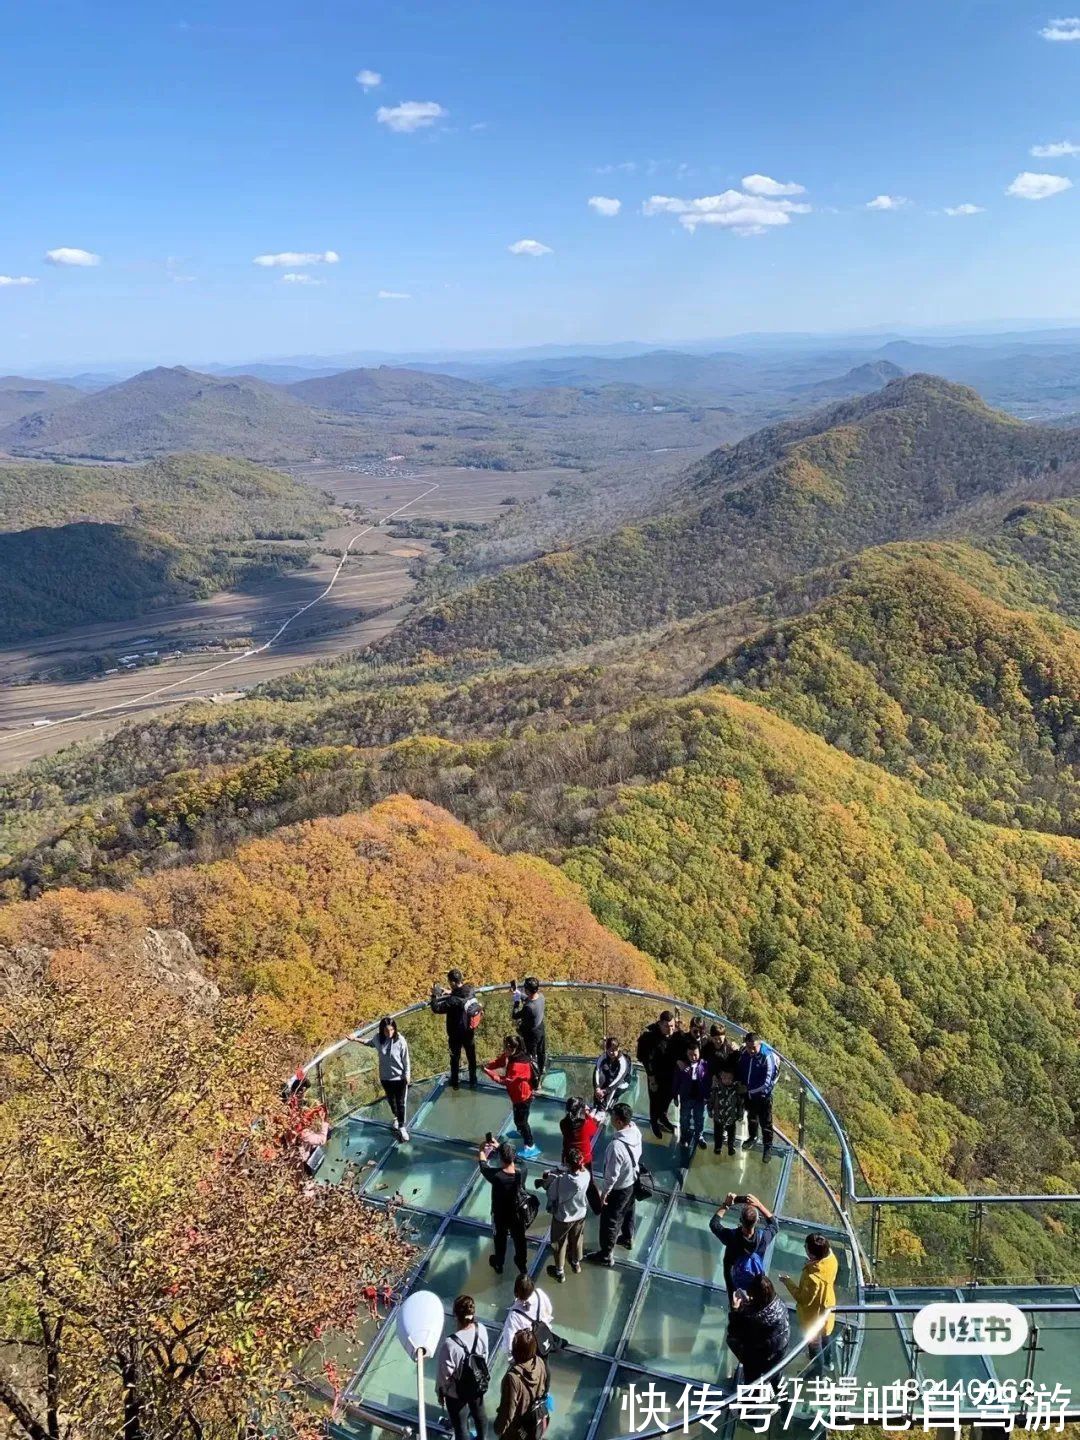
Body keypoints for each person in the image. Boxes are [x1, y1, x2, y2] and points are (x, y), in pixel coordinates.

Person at [587, 1101, 642, 1268]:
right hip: (632, 1180)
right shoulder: (636, 1131)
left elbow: (611, 1176)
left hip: (619, 1188)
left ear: (619, 1121)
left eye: (613, 1118)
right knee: (629, 1210)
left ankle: (605, 1255)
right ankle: (627, 1237)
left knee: (610, 1221)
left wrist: (604, 1194)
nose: (610, 1120)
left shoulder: (616, 1146)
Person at [780, 1233, 838, 1374]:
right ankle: (829, 1362)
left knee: (814, 1342)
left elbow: (803, 1299)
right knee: (826, 1335)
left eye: (806, 1247)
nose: (804, 1248)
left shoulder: (813, 1277)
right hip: (827, 1307)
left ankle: (816, 1372)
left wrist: (787, 1282)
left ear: (812, 1255)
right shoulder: (831, 1260)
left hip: (814, 1316)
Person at [436, 1293, 490, 1440]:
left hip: (456, 1392)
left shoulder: (450, 1344)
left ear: (455, 1315)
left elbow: (444, 1376)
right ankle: (482, 1438)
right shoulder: (482, 1329)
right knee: (480, 1413)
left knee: (461, 1427)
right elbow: (484, 1355)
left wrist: (441, 1392)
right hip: (477, 1383)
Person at [709, 1191, 779, 1300]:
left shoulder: (731, 1237)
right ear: (757, 1220)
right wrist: (759, 1204)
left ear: (741, 1220)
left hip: (735, 1279)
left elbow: (714, 1224)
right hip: (755, 1279)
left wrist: (726, 1204)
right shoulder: (763, 1238)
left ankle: (735, 1304)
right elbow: (774, 1225)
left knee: (735, 1300)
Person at [726, 1274, 791, 1385]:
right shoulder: (779, 1303)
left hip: (759, 1357)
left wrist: (736, 1310)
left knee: (752, 1381)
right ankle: (785, 1401)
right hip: (779, 1350)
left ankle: (751, 1399)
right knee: (776, 1378)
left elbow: (734, 1331)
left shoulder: (753, 1319)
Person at [484, 1036, 542, 1161]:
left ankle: (530, 1146)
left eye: (507, 1047)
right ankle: (520, 1131)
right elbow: (500, 1062)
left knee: (523, 1121)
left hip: (523, 1096)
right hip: (516, 1095)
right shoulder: (512, 1055)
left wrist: (489, 1073)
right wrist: (488, 1066)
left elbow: (505, 1081)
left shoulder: (519, 1065)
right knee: (517, 1117)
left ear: (514, 1048)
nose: (505, 1050)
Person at [478, 1139, 530, 1276]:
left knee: (500, 1240)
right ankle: (522, 1264)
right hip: (518, 1214)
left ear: (500, 1158)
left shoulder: (497, 1176)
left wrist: (481, 1150)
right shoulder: (522, 1170)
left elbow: (483, 1166)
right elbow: (519, 1161)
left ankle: (499, 1263)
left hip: (500, 1215)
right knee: (520, 1239)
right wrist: (501, 1147)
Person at [542, 1145, 591, 1282]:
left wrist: (550, 1177)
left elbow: (551, 1195)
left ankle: (560, 1272)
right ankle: (576, 1263)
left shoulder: (561, 1180)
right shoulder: (586, 1175)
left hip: (563, 1217)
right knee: (576, 1239)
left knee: (559, 1243)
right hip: (580, 1214)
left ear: (567, 1163)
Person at [494, 1328, 549, 1440]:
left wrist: (498, 1428)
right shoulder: (539, 1362)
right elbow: (544, 1387)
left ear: (516, 1351)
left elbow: (509, 1410)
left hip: (516, 1428)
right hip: (532, 1421)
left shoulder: (513, 1378)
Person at [362, 1016, 411, 1140]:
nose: (389, 1033)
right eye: (386, 1031)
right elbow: (369, 1043)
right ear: (382, 1030)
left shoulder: (400, 1040)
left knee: (400, 1103)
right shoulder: (378, 1039)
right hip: (385, 1077)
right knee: (391, 1101)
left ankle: (401, 1126)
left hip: (399, 1077)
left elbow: (406, 1059)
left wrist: (407, 1074)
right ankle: (396, 1117)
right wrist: (354, 1039)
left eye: (391, 1030)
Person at [431, 968, 481, 1090]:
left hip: (455, 1033)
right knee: (471, 1056)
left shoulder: (452, 1000)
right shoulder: (470, 989)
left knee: (455, 1058)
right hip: (469, 1030)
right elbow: (460, 993)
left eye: (449, 982)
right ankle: (473, 1080)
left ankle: (455, 1082)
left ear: (453, 982)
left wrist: (434, 995)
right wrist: (450, 992)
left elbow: (436, 1008)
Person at [737, 1033, 779, 1163]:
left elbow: (766, 1083)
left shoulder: (767, 1057)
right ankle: (753, 1137)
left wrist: (748, 1089)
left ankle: (768, 1147)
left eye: (753, 1047)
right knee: (752, 1117)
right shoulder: (745, 1052)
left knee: (766, 1123)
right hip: (749, 1095)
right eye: (749, 1047)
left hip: (763, 1096)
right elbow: (741, 1068)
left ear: (760, 1044)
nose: (751, 1050)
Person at [636, 1011, 678, 1138]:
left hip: (670, 1074)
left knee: (667, 1098)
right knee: (655, 1100)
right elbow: (646, 1059)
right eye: (666, 1026)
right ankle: (654, 1122)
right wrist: (652, 1078)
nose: (670, 1029)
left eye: (672, 1026)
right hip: (655, 1075)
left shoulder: (675, 1036)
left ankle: (663, 1117)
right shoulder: (650, 1038)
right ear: (660, 1024)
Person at [499, 1272, 554, 1358]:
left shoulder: (514, 1316)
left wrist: (511, 1357)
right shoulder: (539, 1294)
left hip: (530, 1349)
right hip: (543, 1336)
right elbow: (549, 1310)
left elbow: (509, 1342)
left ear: (516, 1291)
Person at [673, 1041, 710, 1156]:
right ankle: (685, 1136)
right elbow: (676, 1081)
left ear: (699, 1053)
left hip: (700, 1098)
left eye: (695, 1054)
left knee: (699, 1118)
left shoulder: (704, 1065)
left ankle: (699, 1136)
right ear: (686, 1054)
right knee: (684, 1118)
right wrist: (675, 1095)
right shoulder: (682, 1066)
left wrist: (707, 1097)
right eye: (690, 1055)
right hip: (686, 1097)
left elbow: (708, 1082)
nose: (693, 1057)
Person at [512, 977, 546, 1080]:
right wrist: (519, 993)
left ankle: (534, 1078)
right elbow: (529, 999)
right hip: (540, 1028)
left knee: (531, 1056)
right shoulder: (541, 996)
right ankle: (541, 1070)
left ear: (527, 990)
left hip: (531, 1034)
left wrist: (516, 1001)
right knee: (541, 1052)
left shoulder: (529, 1007)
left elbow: (515, 1015)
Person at [709, 1050, 741, 1157]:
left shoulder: (735, 1089)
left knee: (732, 1133)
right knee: (718, 1132)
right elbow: (712, 1099)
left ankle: (731, 1146)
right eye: (724, 1078)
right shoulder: (717, 1088)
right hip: (719, 1115)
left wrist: (740, 1114)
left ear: (733, 1078)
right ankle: (717, 1147)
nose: (727, 1080)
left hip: (731, 1116)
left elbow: (739, 1103)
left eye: (729, 1078)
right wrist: (709, 1109)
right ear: (721, 1077)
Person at [559, 1096, 602, 1169]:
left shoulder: (563, 1123)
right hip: (584, 1158)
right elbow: (594, 1130)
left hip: (568, 1156)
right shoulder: (585, 1124)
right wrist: (587, 1115)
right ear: (581, 1110)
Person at [593, 1036, 632, 1111]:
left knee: (612, 1088)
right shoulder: (603, 1056)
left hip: (621, 1084)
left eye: (614, 1050)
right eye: (609, 1050)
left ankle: (604, 1108)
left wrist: (605, 1091)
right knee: (601, 1078)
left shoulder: (623, 1061)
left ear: (618, 1049)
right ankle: (596, 1105)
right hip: (609, 1080)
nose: (611, 1053)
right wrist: (597, 1088)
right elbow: (597, 1071)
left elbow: (619, 1080)